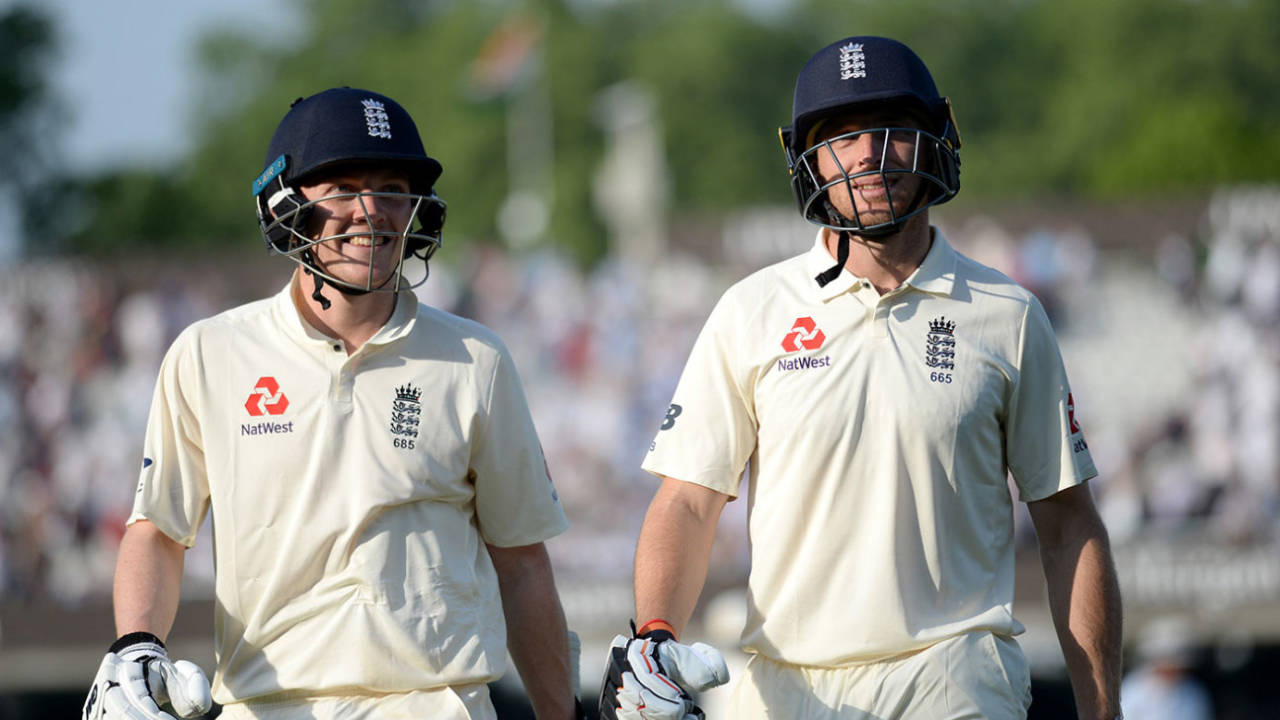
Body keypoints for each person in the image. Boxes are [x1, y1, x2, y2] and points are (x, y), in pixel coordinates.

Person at [599, 36, 1123, 720]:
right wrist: (656, 636)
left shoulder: (1008, 314)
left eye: (890, 133)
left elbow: (1067, 526)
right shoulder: (751, 311)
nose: (868, 159)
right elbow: (687, 503)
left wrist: (1102, 710)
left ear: (934, 140)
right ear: (806, 158)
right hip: (787, 685)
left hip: (954, 675)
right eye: (840, 137)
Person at [82, 87, 584, 720]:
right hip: (266, 706)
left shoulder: (475, 359)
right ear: (284, 202)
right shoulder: (209, 353)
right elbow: (158, 532)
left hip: (435, 705)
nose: (371, 210)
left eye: (391, 187)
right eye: (343, 187)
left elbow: (522, 566)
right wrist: (135, 646)